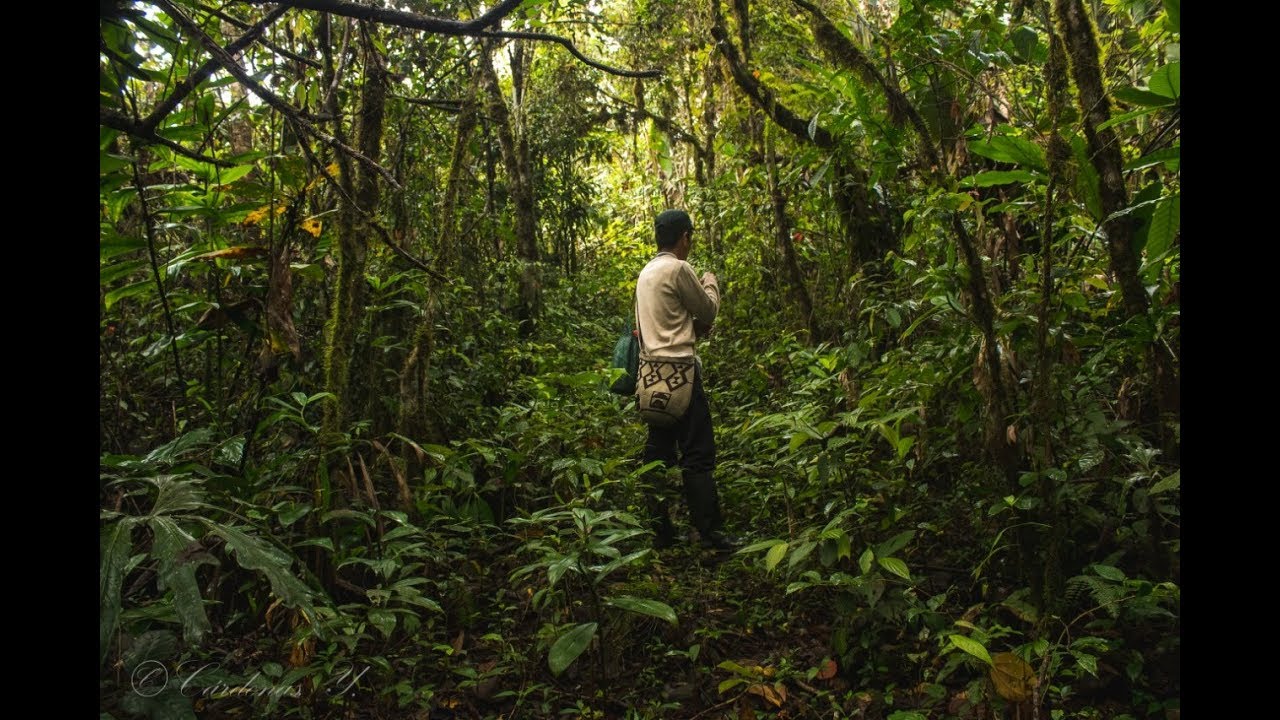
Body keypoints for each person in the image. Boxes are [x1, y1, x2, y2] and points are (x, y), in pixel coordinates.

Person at [635, 209, 739, 551]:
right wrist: (711, 282)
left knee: (657, 453)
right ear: (684, 237)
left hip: (651, 377)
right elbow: (707, 310)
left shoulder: (646, 272)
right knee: (697, 454)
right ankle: (709, 534)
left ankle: (659, 531)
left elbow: (661, 324)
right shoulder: (679, 268)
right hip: (682, 374)